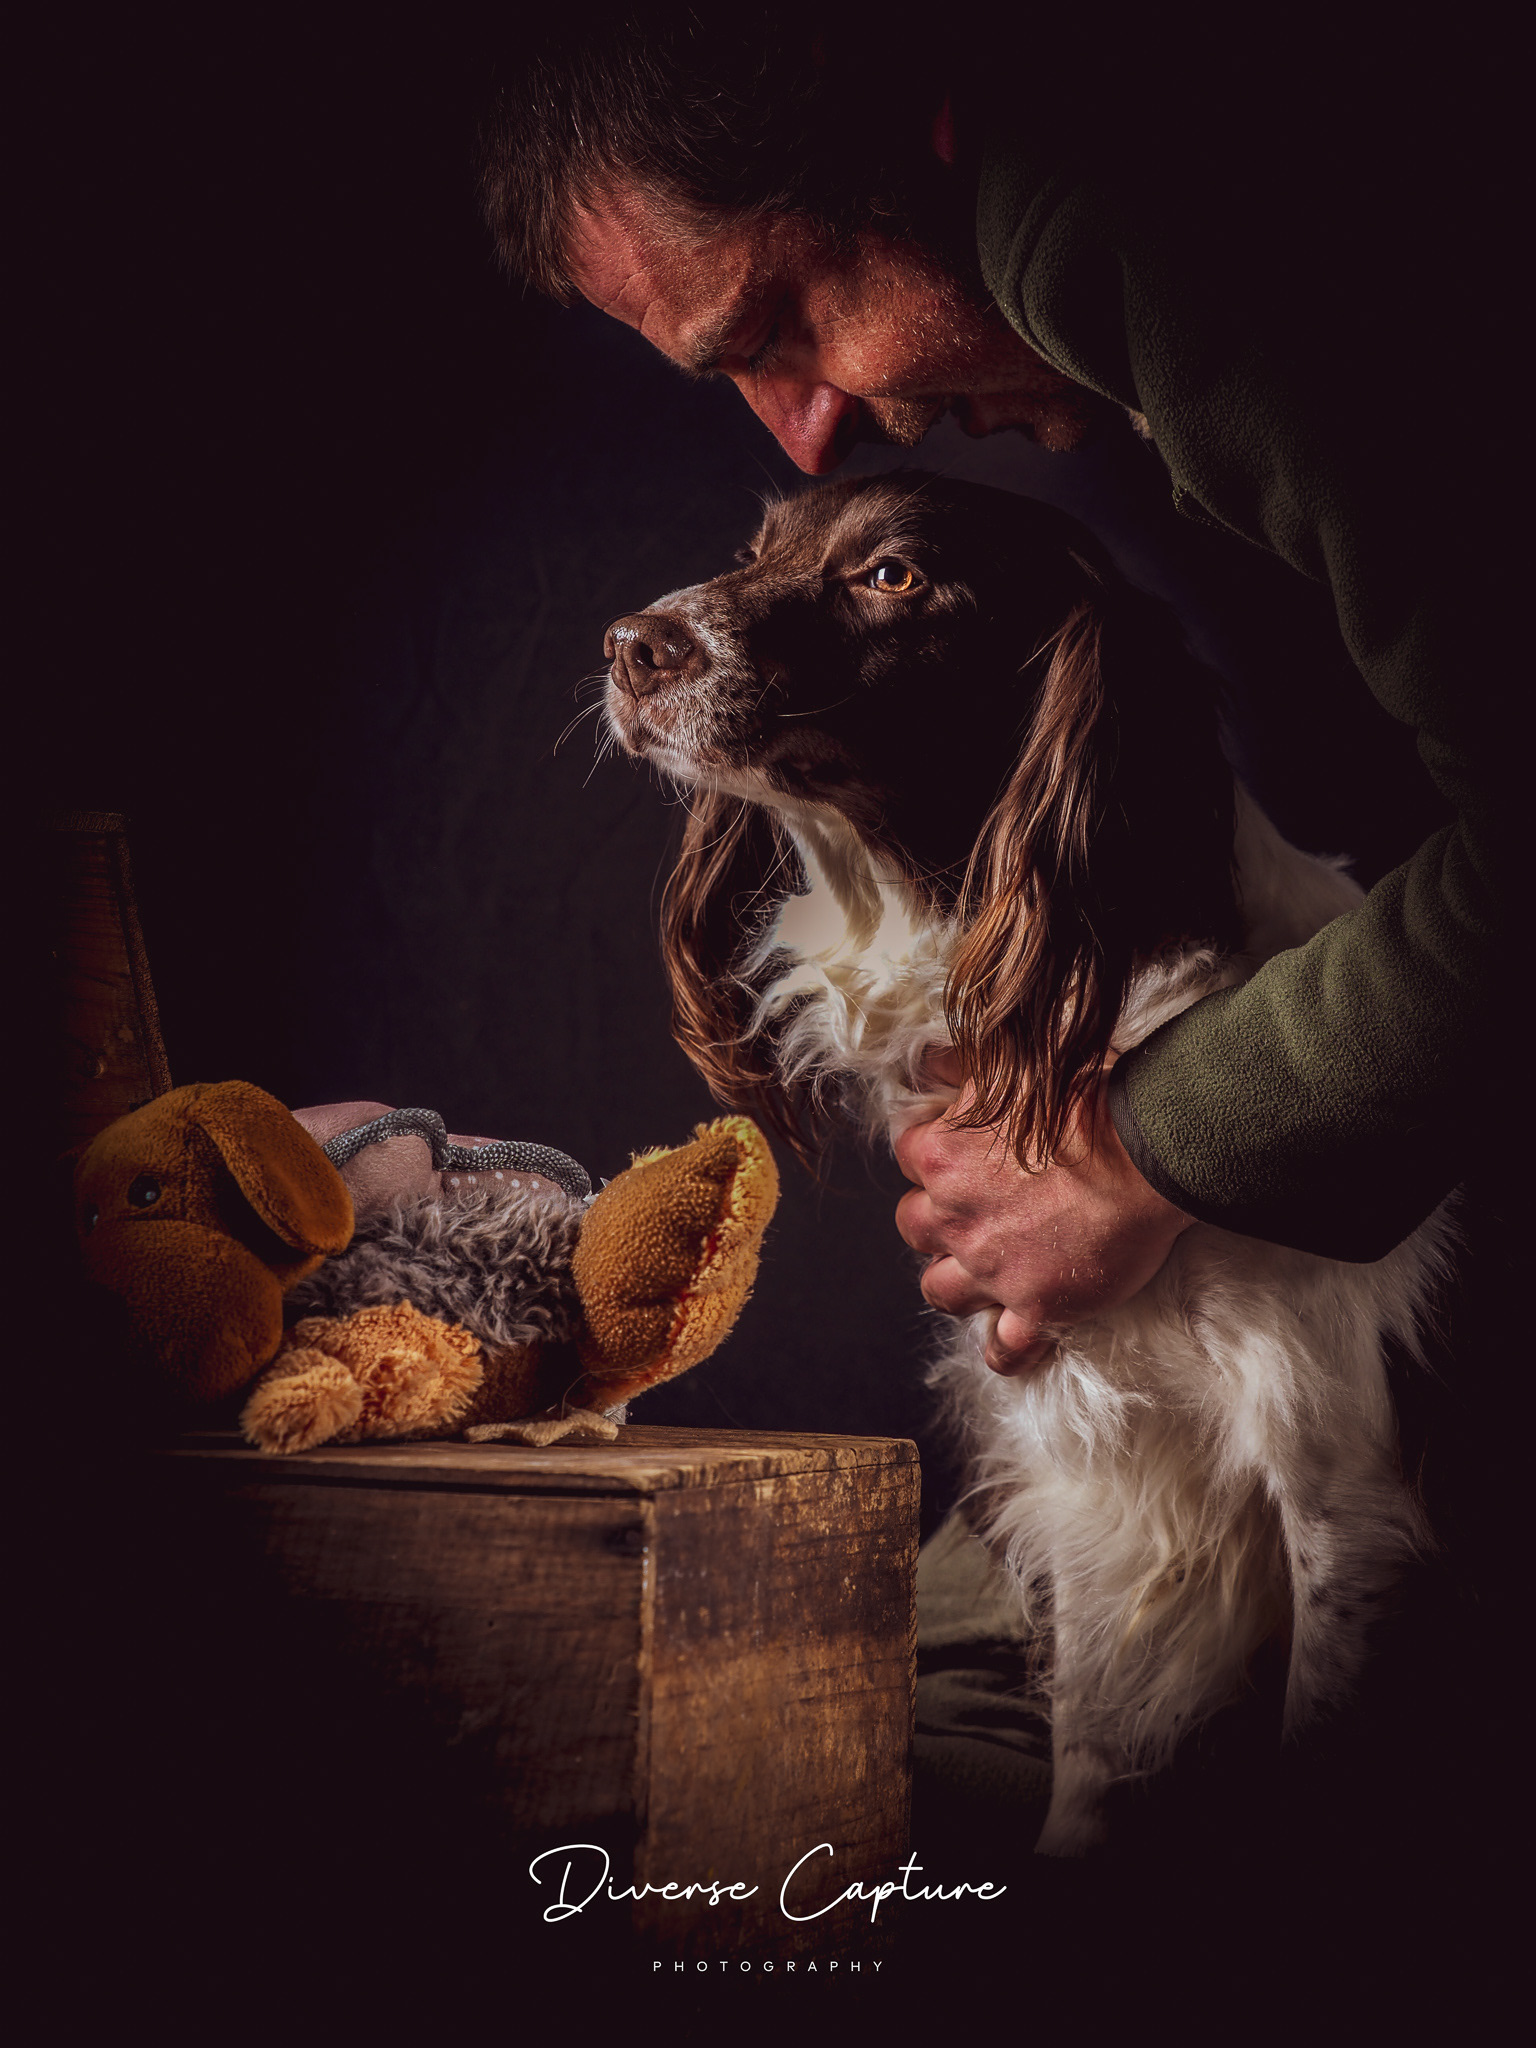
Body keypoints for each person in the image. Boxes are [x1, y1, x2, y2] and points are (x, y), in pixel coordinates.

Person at [481, 8, 1514, 1378]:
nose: (806, 429)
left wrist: (1150, 1147)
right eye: (735, 371)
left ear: (883, 101)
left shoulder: (1174, 228)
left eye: (783, 322)